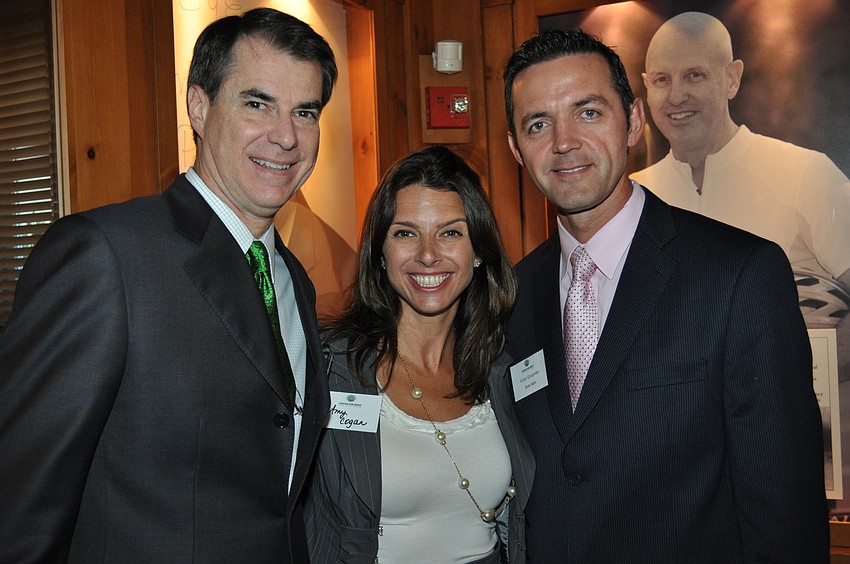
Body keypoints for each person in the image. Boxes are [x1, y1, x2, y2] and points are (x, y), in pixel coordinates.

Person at [0, 8, 336, 562]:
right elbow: (20, 502)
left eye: (305, 112)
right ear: (199, 107)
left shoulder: (292, 277)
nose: (286, 137)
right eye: (257, 104)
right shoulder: (104, 255)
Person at [501, 29, 828, 562]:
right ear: (517, 147)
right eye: (538, 124)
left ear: (632, 120)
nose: (563, 142)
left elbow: (783, 507)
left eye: (587, 112)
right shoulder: (511, 296)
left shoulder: (740, 274)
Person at [304, 145, 533, 563]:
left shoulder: (503, 366)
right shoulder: (329, 367)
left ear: (478, 251)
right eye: (406, 233)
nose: (428, 254)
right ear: (380, 253)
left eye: (450, 232)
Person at [631, 12, 850, 327]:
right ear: (646, 87)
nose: (676, 96)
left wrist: (829, 363)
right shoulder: (633, 197)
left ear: (732, 79)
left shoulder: (807, 173)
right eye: (662, 80)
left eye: (695, 75)